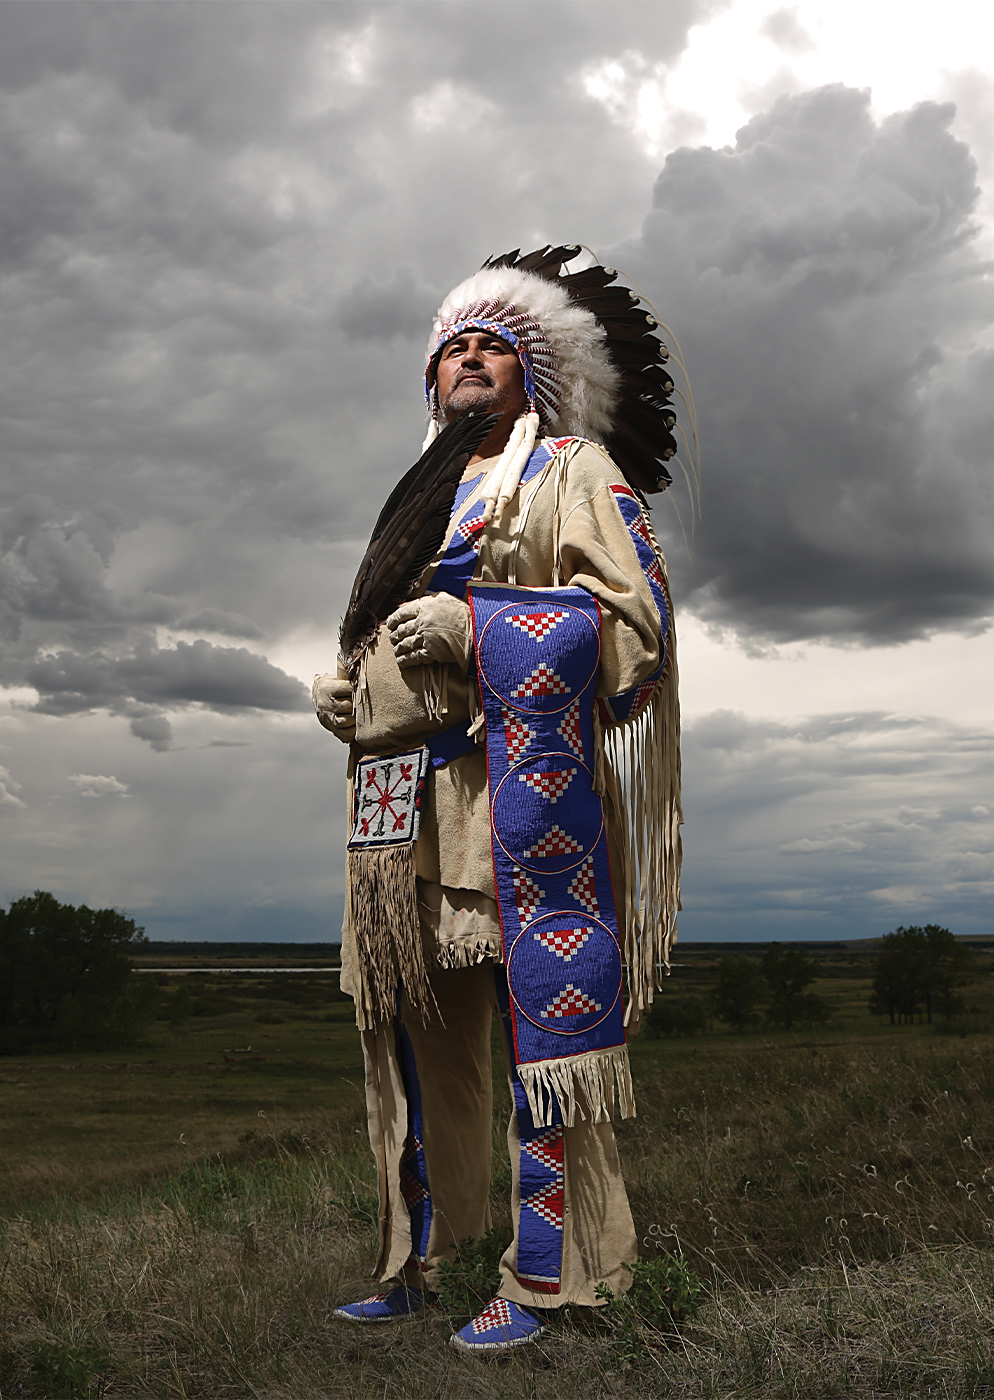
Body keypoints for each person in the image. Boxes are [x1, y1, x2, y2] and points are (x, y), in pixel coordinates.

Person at [311, 247, 685, 1352]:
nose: (469, 357)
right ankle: (424, 1254)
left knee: (541, 1037)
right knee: (413, 1030)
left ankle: (557, 1274)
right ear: (431, 382)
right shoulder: (411, 506)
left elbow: (636, 626)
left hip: (522, 798)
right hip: (401, 810)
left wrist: (481, 629)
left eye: (494, 346)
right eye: (452, 348)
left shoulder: (571, 469)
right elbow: (388, 639)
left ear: (532, 376)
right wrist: (353, 688)